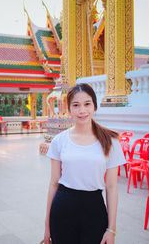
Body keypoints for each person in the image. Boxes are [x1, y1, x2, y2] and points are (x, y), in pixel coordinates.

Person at [43, 83, 126, 244]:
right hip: (63, 208)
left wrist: (111, 229)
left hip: (94, 208)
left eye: (87, 104)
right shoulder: (59, 141)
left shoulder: (110, 141)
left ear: (94, 106)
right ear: (69, 109)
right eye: (76, 105)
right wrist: (47, 225)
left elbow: (112, 187)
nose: (82, 110)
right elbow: (53, 183)